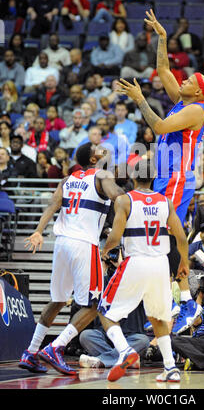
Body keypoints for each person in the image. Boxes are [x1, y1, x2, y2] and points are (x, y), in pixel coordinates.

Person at [116, 8, 204, 335]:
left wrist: (141, 99)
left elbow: (157, 126)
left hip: (176, 179)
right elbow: (162, 68)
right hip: (164, 178)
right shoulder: (181, 101)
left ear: (198, 91)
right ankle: (179, 298)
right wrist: (162, 37)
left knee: (167, 237)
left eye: (188, 80)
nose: (181, 80)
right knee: (164, 238)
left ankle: (183, 299)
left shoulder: (195, 110)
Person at [19, 142, 124, 375]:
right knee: (95, 304)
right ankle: (56, 347)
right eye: (100, 149)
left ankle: (31, 351)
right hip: (84, 244)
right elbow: (117, 195)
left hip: (61, 243)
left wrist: (38, 230)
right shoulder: (102, 175)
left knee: (57, 300)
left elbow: (52, 206)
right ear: (94, 160)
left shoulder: (67, 180)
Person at [97, 159, 189, 383]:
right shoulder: (165, 202)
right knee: (158, 317)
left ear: (133, 178)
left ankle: (124, 350)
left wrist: (104, 250)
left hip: (136, 262)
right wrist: (184, 263)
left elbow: (116, 236)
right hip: (160, 264)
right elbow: (182, 237)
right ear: (154, 179)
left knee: (105, 312)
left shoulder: (124, 200)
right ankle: (171, 368)